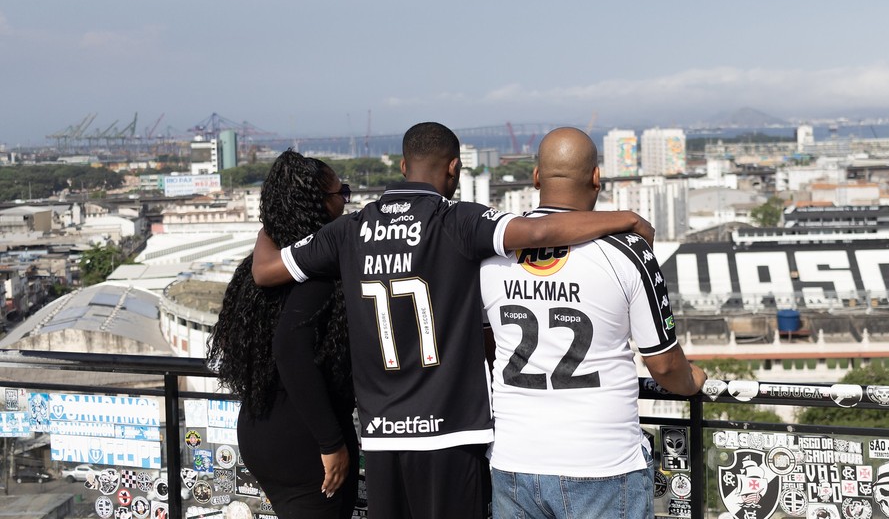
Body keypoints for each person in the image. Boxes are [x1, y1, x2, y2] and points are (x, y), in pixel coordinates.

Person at [251, 121, 654, 519]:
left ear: (404, 167)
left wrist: (275, 207)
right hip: (452, 434)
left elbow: (265, 271)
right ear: (454, 168)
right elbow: (541, 230)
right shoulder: (458, 221)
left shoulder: (351, 228)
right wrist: (627, 221)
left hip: (381, 438)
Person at [480, 127, 707, 519]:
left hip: (513, 458)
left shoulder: (493, 254)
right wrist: (693, 382)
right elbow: (665, 365)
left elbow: (488, 349)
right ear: (597, 177)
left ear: (536, 178)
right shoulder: (627, 251)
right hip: (603, 463)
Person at [209, 150, 359, 519]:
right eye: (343, 193)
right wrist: (332, 443)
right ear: (319, 204)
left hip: (260, 429)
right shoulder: (319, 273)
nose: (347, 201)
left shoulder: (258, 267)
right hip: (307, 441)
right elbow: (290, 347)